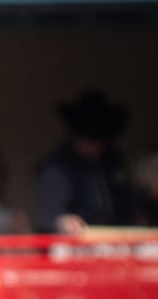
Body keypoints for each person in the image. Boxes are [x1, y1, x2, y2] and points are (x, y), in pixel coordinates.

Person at [31, 88, 134, 235]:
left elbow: (126, 203)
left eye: (100, 139)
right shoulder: (57, 166)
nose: (95, 146)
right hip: (74, 247)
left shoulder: (113, 161)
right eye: (90, 138)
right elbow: (48, 215)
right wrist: (62, 222)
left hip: (117, 243)